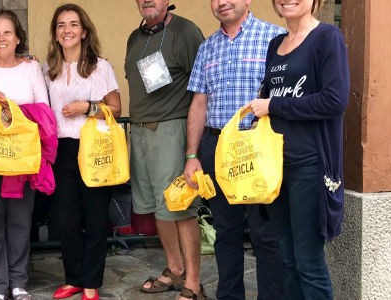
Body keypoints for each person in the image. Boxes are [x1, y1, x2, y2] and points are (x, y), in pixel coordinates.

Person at [245, 0, 349, 298]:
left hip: (310, 165)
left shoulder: (327, 38)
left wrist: (274, 105)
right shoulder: (275, 44)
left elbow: (335, 100)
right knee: (287, 258)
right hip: (275, 165)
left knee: (308, 261)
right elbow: (270, 97)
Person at [183, 1, 286, 299]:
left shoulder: (274, 38)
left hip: (257, 149)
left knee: (265, 235)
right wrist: (192, 156)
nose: (221, 2)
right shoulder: (207, 47)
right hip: (217, 149)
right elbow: (199, 104)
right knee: (225, 233)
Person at [125, 0, 205, 299]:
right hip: (142, 131)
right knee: (159, 208)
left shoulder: (185, 32)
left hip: (172, 129)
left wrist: (191, 149)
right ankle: (175, 269)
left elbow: (201, 89)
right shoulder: (136, 37)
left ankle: (194, 284)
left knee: (180, 206)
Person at [0, 10, 50, 300]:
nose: (1, 38)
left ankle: (18, 283)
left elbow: (43, 110)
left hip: (20, 156)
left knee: (19, 220)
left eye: (7, 32)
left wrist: (14, 111)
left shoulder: (31, 68)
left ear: (18, 38)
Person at [43, 4, 121, 300]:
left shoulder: (100, 67)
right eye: (61, 25)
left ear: (84, 31)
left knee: (96, 218)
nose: (67, 30)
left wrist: (87, 108)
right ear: (55, 33)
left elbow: (116, 108)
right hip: (61, 150)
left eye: (74, 24)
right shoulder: (46, 70)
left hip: (94, 148)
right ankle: (73, 277)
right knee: (65, 219)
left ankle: (91, 281)